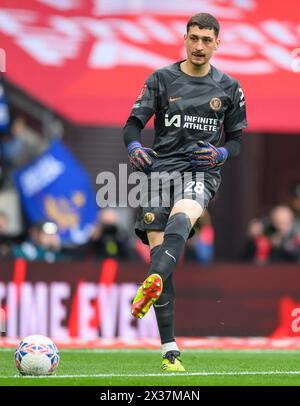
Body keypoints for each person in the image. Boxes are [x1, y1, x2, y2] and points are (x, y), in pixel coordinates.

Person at [123, 13, 247, 372]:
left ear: (217, 44)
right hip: (160, 172)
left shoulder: (229, 87)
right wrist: (134, 148)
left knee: (184, 216)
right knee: (163, 258)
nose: (199, 46)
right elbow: (132, 125)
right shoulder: (161, 79)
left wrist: (222, 153)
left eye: (207, 40)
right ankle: (169, 350)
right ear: (184, 38)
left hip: (201, 171)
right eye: (194, 38)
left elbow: (237, 139)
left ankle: (154, 280)